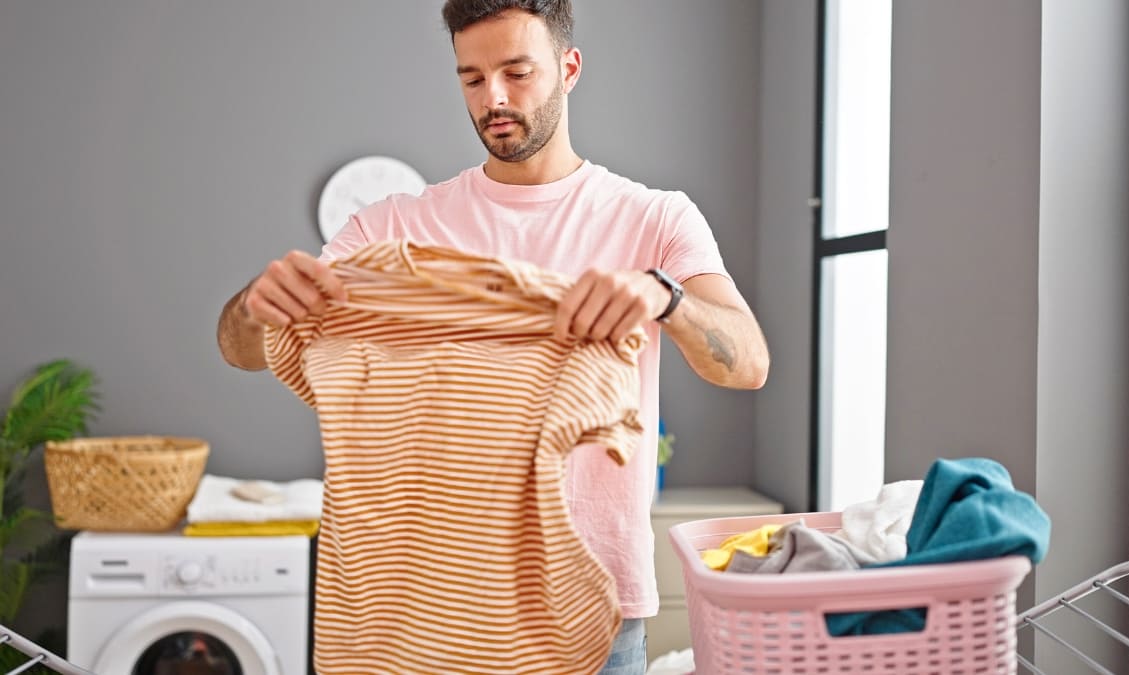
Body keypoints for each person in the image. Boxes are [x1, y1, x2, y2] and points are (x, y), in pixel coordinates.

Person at [216, 1, 770, 672]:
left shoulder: (653, 217)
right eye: (472, 78)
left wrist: (664, 295)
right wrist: (258, 303)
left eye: (516, 71)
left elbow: (747, 362)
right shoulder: (393, 229)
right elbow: (242, 348)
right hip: (421, 601)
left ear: (569, 68)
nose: (494, 98)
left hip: (594, 601)